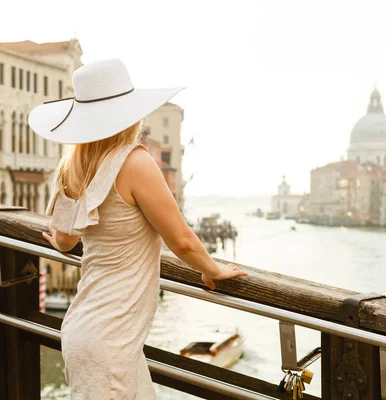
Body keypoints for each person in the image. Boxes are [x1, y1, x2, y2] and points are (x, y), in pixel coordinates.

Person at [29, 59, 247, 399]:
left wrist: (57, 242)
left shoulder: (72, 167)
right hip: (111, 340)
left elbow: (66, 238)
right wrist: (213, 269)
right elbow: (183, 241)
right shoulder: (136, 162)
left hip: (81, 329)